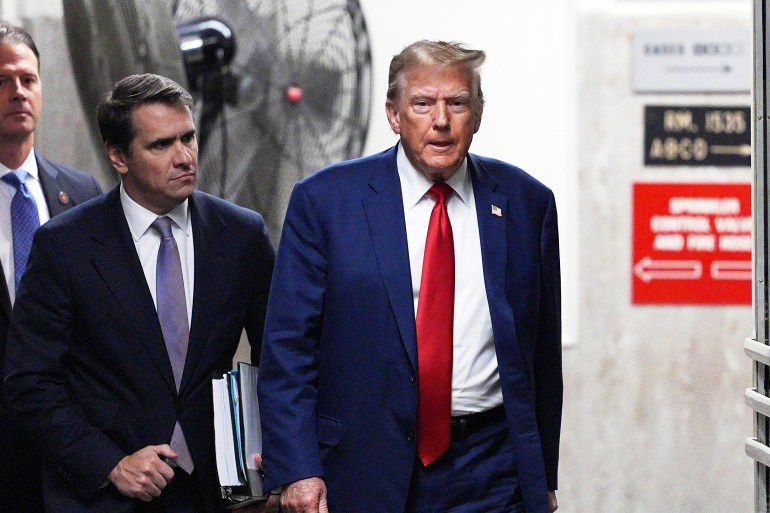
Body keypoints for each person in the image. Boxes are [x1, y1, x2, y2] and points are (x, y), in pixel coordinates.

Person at [258, 40, 563, 513]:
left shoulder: (527, 204)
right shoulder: (325, 202)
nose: (441, 120)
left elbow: (541, 354)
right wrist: (297, 467)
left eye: (457, 104)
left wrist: (540, 474)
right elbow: (288, 349)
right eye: (422, 104)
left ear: (477, 115)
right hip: (365, 465)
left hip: (492, 467)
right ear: (394, 115)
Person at [4, 73, 275, 513]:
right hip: (107, 494)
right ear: (118, 156)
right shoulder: (65, 245)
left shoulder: (241, 234)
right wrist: (109, 464)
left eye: (188, 137)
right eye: (161, 145)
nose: (184, 156)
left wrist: (275, 460)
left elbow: (282, 357)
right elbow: (30, 382)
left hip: (219, 493)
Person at [0, 21, 102, 513]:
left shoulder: (80, 193)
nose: (17, 92)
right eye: (2, 81)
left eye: (28, 79)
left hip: (68, 449)